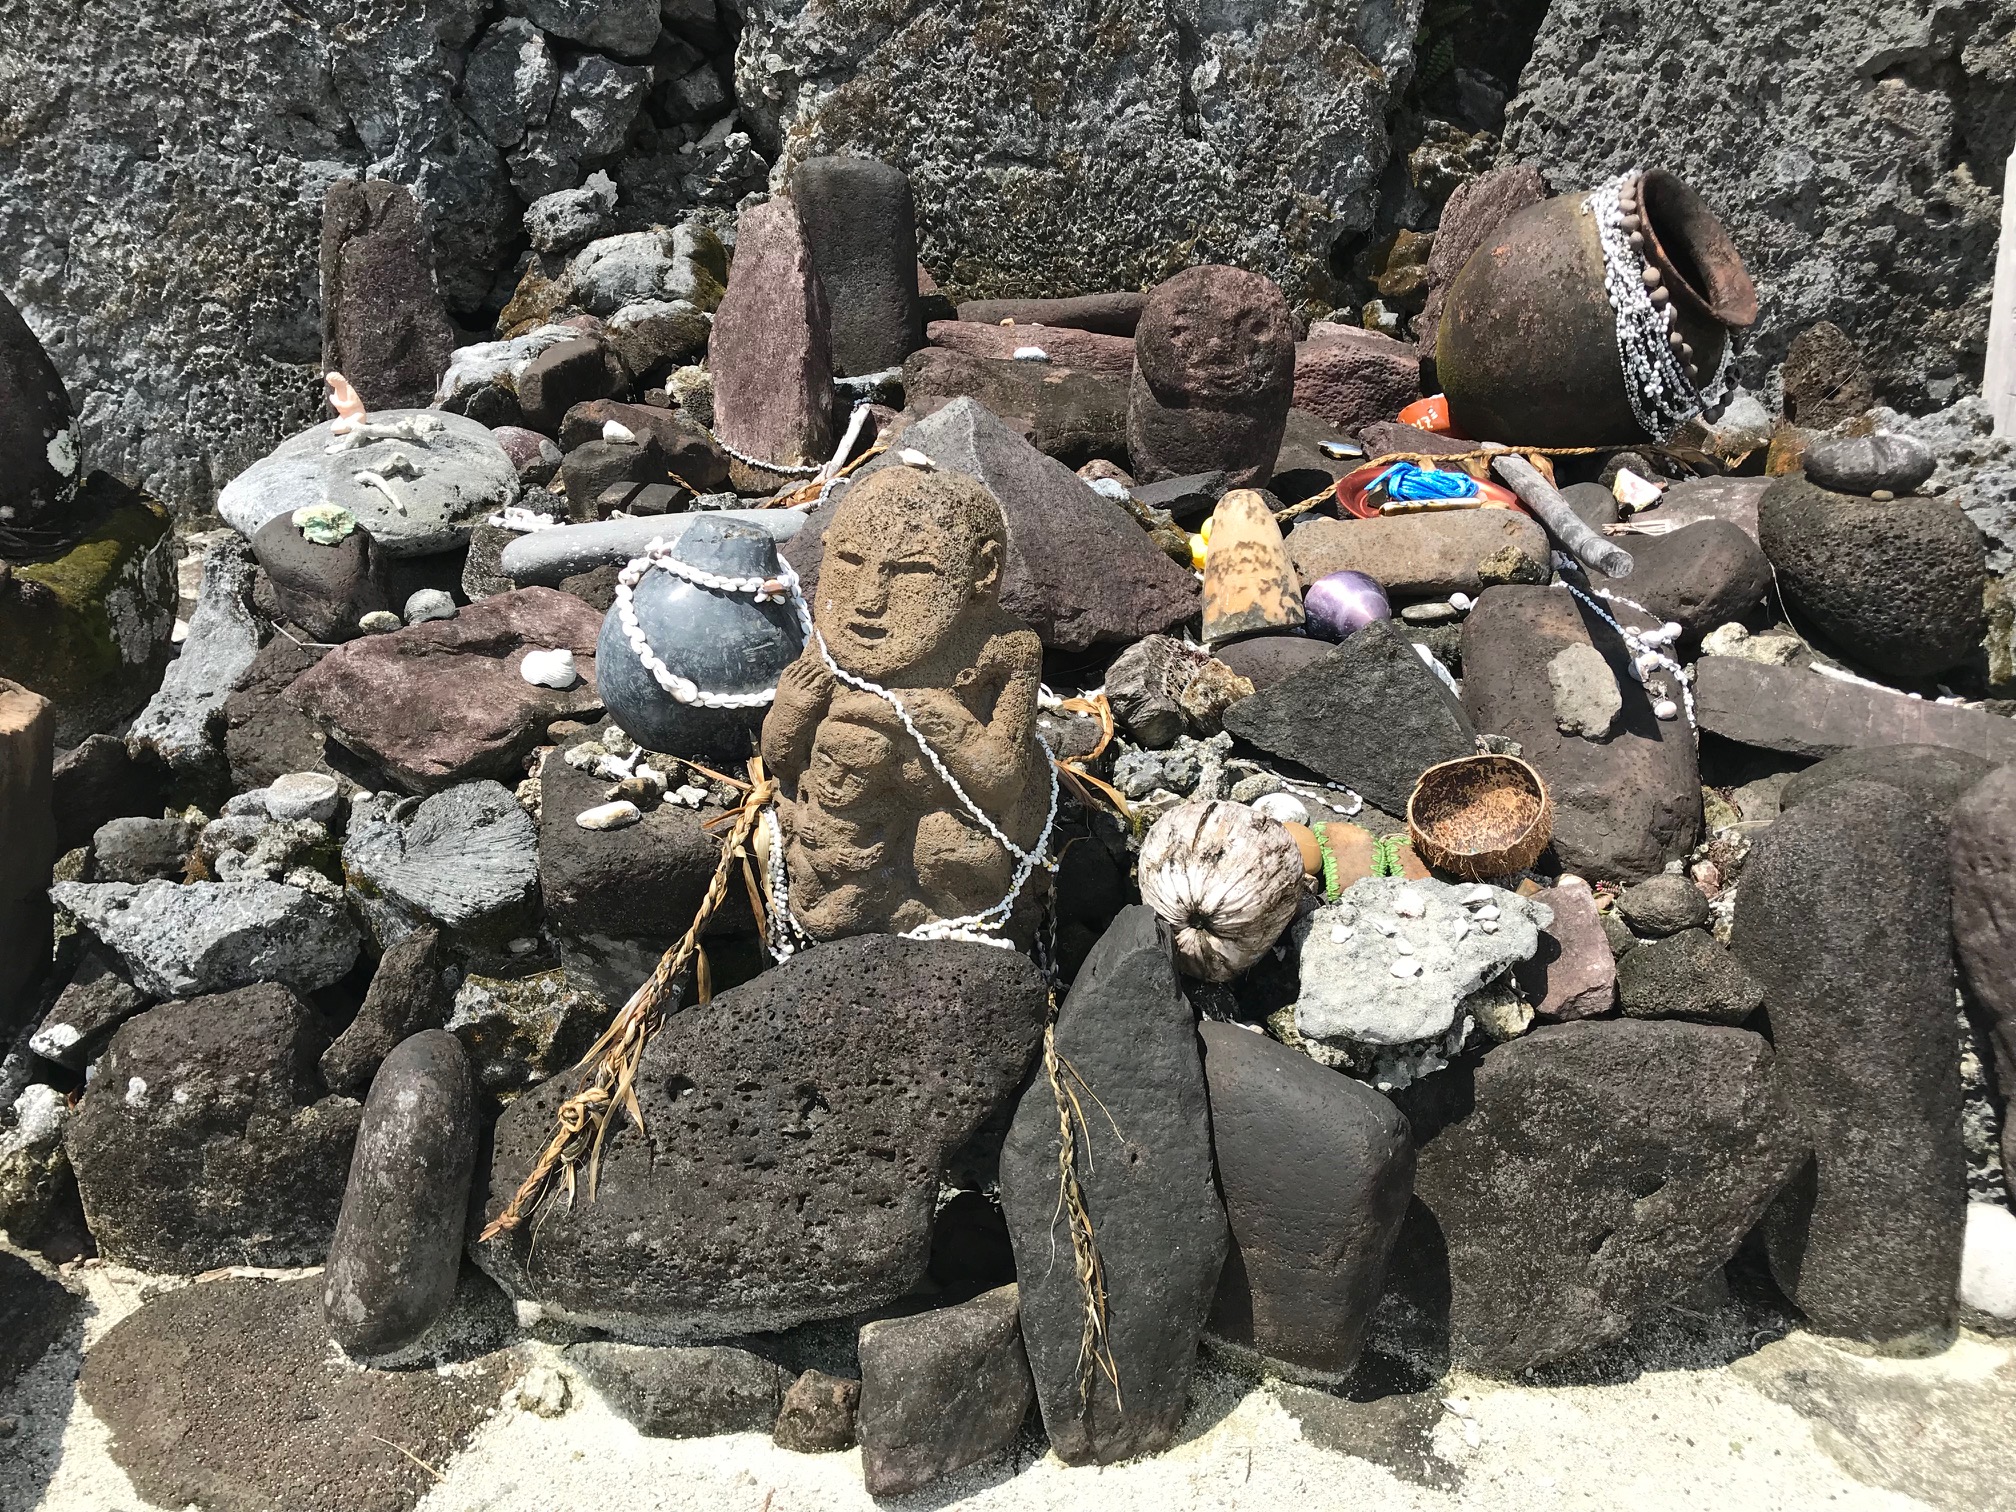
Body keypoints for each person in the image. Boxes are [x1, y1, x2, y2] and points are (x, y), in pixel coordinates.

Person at [761, 466, 1048, 939]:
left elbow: (1000, 783)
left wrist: (921, 712)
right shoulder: (831, 639)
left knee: (946, 843)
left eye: (914, 572)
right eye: (849, 562)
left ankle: (925, 915)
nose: (868, 599)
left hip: (948, 835)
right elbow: (782, 761)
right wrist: (792, 707)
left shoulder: (1004, 649)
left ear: (983, 572)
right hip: (835, 835)